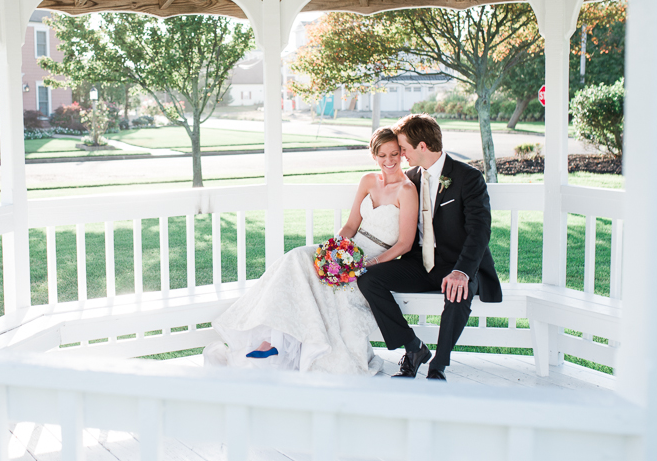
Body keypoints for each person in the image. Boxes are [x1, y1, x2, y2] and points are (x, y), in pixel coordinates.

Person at [204, 128, 419, 374]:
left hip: (374, 260)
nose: (389, 161)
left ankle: (282, 344)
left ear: (402, 154)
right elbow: (351, 225)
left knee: (321, 288)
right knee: (297, 259)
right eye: (382, 155)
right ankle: (273, 341)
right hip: (346, 251)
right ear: (374, 155)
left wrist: (369, 263)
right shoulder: (369, 181)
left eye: (394, 154)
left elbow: (405, 244)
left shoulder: (407, 190)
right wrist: (332, 250)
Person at [357, 114, 502, 381]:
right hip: (419, 264)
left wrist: (462, 272)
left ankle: (439, 365)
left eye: (403, 149)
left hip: (459, 265)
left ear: (422, 146)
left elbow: (479, 233)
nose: (401, 154)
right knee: (368, 280)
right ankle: (413, 347)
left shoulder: (467, 178)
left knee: (458, 290)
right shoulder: (409, 178)